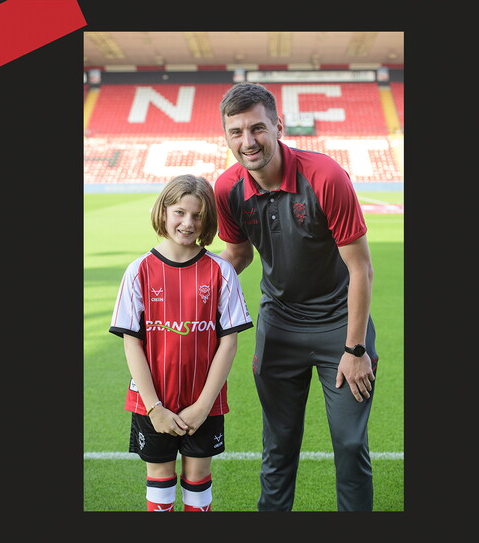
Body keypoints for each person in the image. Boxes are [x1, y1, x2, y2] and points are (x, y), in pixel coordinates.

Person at [214, 82, 378, 512]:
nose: (247, 142)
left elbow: (361, 268)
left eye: (257, 129)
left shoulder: (325, 176)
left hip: (339, 328)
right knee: (278, 445)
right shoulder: (227, 188)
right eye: (236, 132)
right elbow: (236, 254)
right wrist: (193, 289)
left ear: (278, 126)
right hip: (279, 327)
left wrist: (356, 348)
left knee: (349, 443)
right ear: (227, 136)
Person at [109, 174, 253, 512]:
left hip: (203, 401)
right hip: (153, 401)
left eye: (198, 215)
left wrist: (203, 406)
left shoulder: (220, 272)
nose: (188, 223)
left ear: (208, 221)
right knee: (159, 479)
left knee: (198, 477)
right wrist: (154, 408)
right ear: (163, 212)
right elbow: (132, 344)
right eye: (179, 212)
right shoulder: (139, 270)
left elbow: (228, 344)